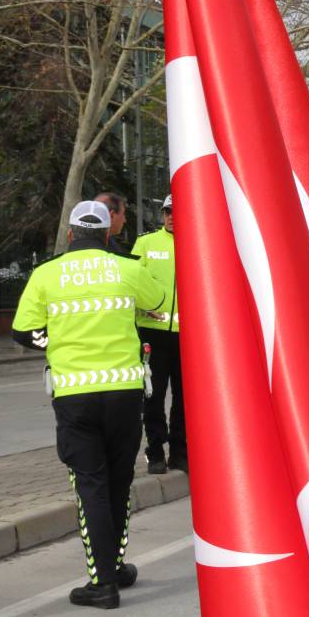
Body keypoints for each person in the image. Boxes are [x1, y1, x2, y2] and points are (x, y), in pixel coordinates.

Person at [11, 200, 165, 609]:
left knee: (90, 487)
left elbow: (23, 332)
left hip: (75, 395)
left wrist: (54, 341)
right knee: (118, 482)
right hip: (124, 392)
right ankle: (113, 566)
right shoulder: (127, 268)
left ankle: (102, 583)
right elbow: (158, 299)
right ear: (107, 233)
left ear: (70, 233)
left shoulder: (46, 274)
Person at [132, 195, 183, 474]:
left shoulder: (200, 240)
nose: (172, 216)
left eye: (177, 211)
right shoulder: (146, 243)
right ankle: (155, 452)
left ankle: (179, 452)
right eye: (167, 212)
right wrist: (143, 304)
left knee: (184, 399)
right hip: (152, 334)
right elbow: (131, 280)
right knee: (152, 395)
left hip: (188, 336)